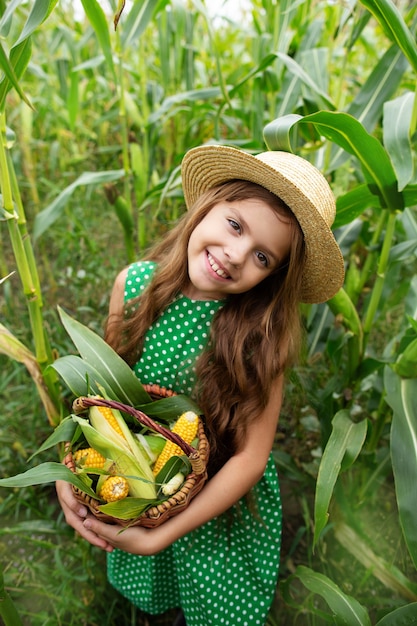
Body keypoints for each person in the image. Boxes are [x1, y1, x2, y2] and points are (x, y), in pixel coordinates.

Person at [56, 144, 345, 625]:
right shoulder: (133, 286)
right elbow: (100, 392)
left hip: (214, 498)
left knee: (215, 599)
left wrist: (163, 534)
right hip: (142, 477)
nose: (234, 255)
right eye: (235, 224)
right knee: (157, 581)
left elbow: (251, 458)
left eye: (262, 256)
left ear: (272, 277)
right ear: (208, 204)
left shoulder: (259, 340)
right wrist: (71, 479)